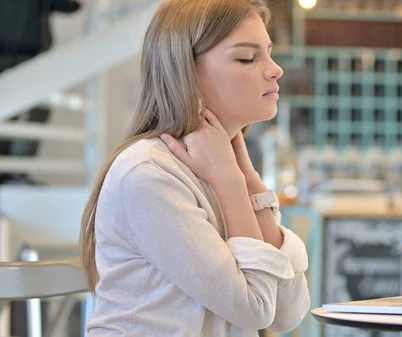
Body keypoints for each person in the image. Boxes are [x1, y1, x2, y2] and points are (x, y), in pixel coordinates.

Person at [78, 0, 310, 336]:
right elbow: (255, 308)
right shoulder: (147, 173)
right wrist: (231, 183)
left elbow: (286, 315)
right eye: (247, 57)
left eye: (269, 53)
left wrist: (250, 183)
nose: (276, 69)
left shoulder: (221, 167)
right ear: (186, 71)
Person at [0, 0, 81, 184]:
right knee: (19, 114)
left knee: (30, 113)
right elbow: (68, 6)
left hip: (30, 59)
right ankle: (12, 172)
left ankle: (12, 172)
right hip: (27, 58)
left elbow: (65, 5)